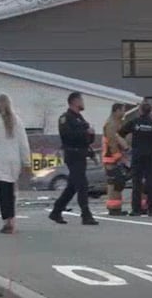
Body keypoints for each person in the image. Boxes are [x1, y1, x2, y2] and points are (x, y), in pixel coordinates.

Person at [0, 94, 31, 234]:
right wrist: (26, 161)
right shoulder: (17, 121)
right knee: (11, 191)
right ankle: (12, 220)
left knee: (3, 193)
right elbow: (23, 143)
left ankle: (6, 221)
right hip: (13, 161)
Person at [49, 92, 99, 226]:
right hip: (73, 155)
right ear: (74, 101)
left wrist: (90, 135)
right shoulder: (66, 118)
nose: (83, 103)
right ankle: (86, 214)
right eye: (81, 100)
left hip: (82, 155)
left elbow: (88, 139)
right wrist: (85, 132)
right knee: (82, 184)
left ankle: (56, 210)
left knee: (72, 186)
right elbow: (67, 135)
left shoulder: (81, 119)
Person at [119, 102, 152, 216]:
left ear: (140, 110)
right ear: (150, 111)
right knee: (151, 183)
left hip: (137, 155)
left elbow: (120, 134)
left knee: (136, 183)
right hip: (150, 156)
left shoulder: (134, 122)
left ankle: (136, 210)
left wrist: (125, 147)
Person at [102, 103, 129, 216]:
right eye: (123, 110)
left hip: (114, 158)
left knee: (117, 183)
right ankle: (114, 208)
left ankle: (116, 207)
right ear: (116, 110)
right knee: (114, 183)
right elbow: (112, 143)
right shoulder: (111, 124)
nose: (124, 113)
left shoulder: (116, 123)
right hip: (111, 159)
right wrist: (119, 158)